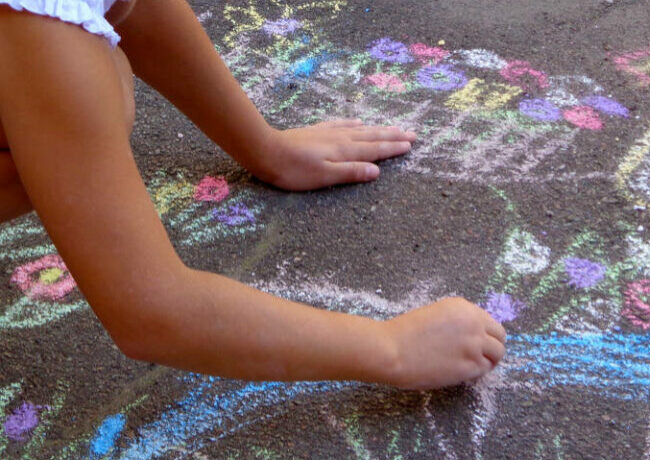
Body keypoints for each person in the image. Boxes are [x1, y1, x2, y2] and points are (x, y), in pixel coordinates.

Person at [0, 0, 506, 390]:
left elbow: (137, 10)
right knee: (70, 99)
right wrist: (390, 348)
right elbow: (152, 313)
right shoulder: (42, 35)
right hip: (41, 51)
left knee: (80, 86)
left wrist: (266, 149)